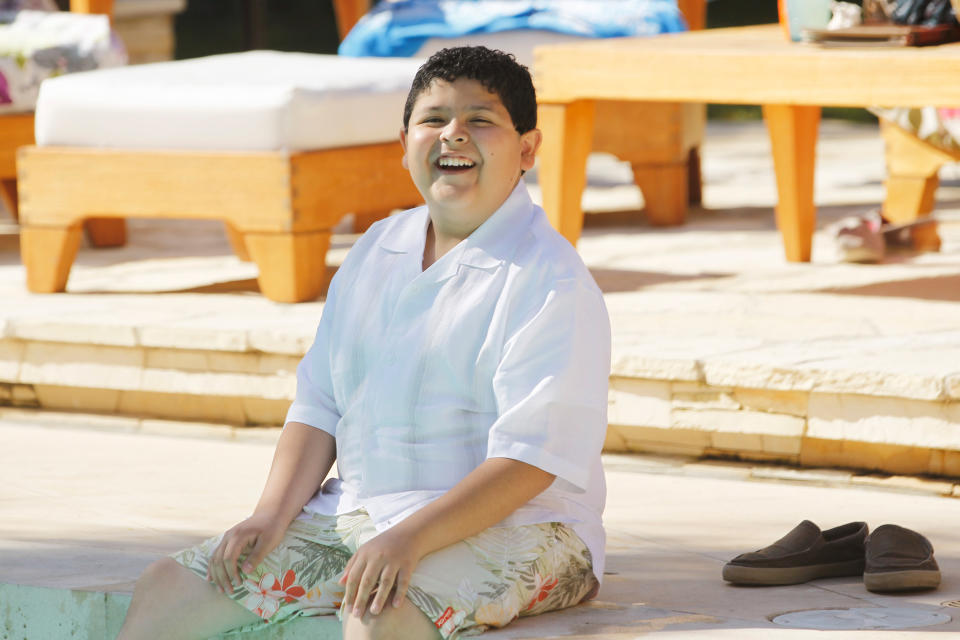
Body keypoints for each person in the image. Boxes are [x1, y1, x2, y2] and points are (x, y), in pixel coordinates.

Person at [116, 46, 611, 640]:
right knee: (170, 588)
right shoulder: (378, 248)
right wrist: (270, 515)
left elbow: (531, 460)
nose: (453, 134)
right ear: (404, 143)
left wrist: (410, 538)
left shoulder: (549, 278)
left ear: (527, 149)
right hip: (361, 514)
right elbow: (320, 403)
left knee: (377, 613)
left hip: (530, 529)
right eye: (434, 119)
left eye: (480, 120)